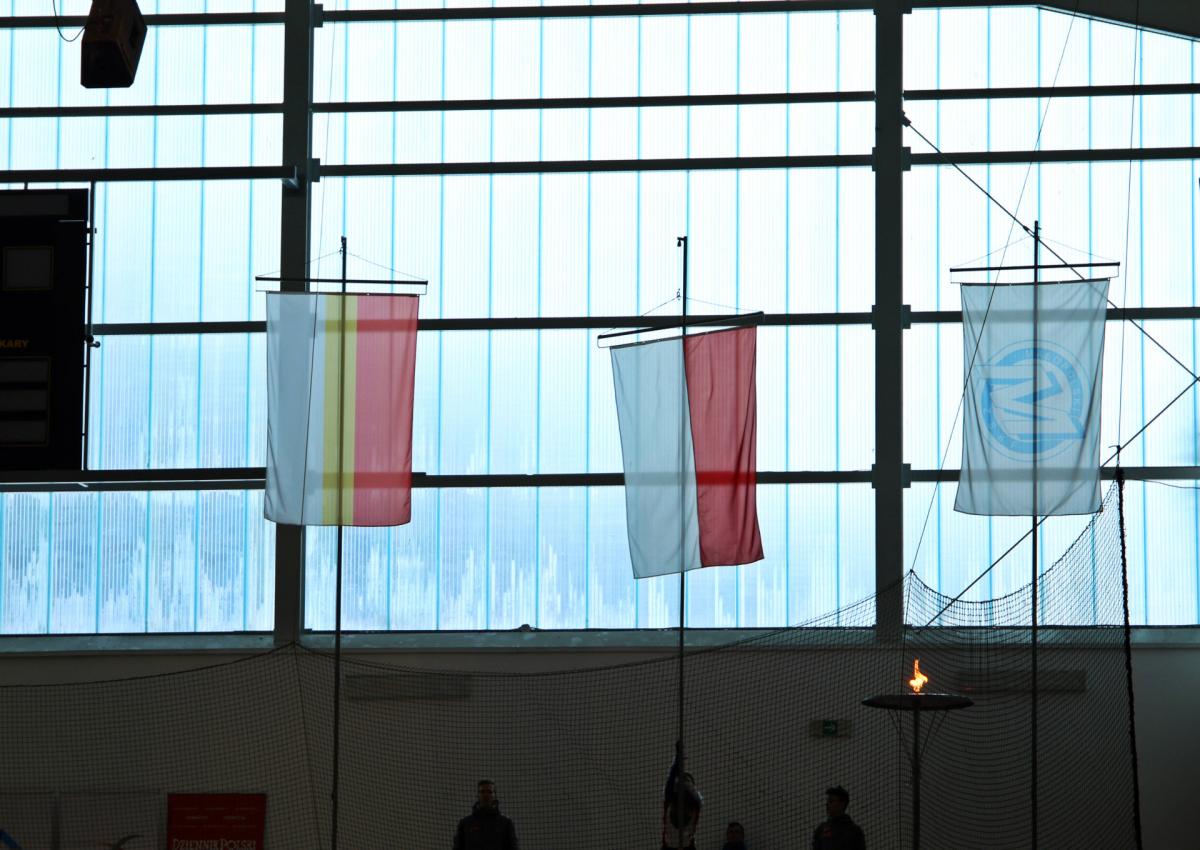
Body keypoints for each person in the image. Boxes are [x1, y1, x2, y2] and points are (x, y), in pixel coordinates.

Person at [454, 779, 519, 850]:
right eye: (482, 792)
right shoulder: (465, 823)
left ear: (494, 795)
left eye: (489, 792)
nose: (485, 795)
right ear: (477, 795)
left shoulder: (506, 824)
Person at [662, 741, 702, 850]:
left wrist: (685, 783)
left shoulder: (695, 803)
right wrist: (678, 758)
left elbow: (697, 798)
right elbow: (671, 780)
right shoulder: (670, 798)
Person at [812, 786, 864, 850]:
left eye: (831, 801)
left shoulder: (854, 831)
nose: (827, 804)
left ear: (842, 804)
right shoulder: (821, 829)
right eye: (828, 801)